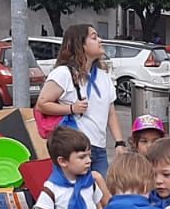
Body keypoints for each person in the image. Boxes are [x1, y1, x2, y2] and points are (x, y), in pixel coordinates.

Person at [36, 25, 122, 176]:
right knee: (74, 193)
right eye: (94, 37)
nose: (100, 40)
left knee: (101, 193)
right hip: (74, 149)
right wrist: (71, 109)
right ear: (80, 44)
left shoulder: (103, 76)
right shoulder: (63, 73)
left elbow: (111, 114)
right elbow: (42, 104)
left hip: (98, 148)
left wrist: (119, 142)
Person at [33, 125, 105, 209]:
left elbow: (98, 206)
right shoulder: (51, 190)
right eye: (82, 157)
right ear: (63, 161)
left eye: (89, 155)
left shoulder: (90, 183)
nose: (88, 161)